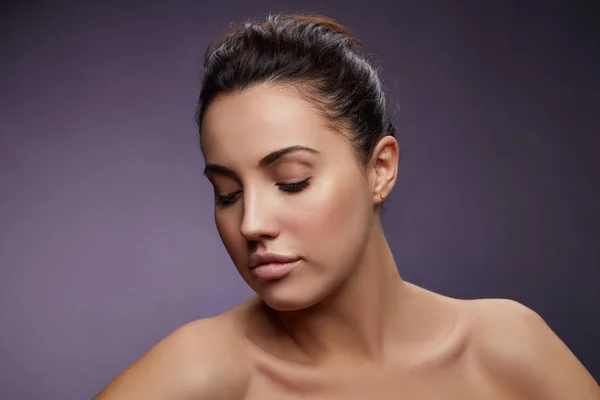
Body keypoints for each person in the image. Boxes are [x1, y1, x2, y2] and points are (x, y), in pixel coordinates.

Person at [94, 13, 599, 399]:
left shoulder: (504, 345)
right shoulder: (202, 373)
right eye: (227, 192)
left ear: (379, 169)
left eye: (291, 182)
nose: (251, 224)